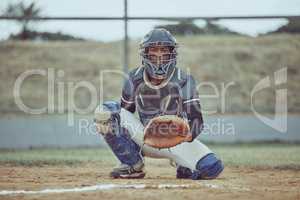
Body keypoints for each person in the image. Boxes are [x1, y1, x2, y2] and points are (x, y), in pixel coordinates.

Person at [94, 28, 223, 179]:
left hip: (176, 140)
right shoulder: (134, 77)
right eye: (154, 51)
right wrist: (132, 142)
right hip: (146, 138)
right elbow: (124, 115)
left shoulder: (184, 79)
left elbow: (197, 122)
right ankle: (132, 164)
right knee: (106, 112)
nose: (159, 56)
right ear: (145, 54)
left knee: (211, 168)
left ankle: (183, 165)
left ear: (172, 54)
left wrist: (185, 136)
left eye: (164, 51)